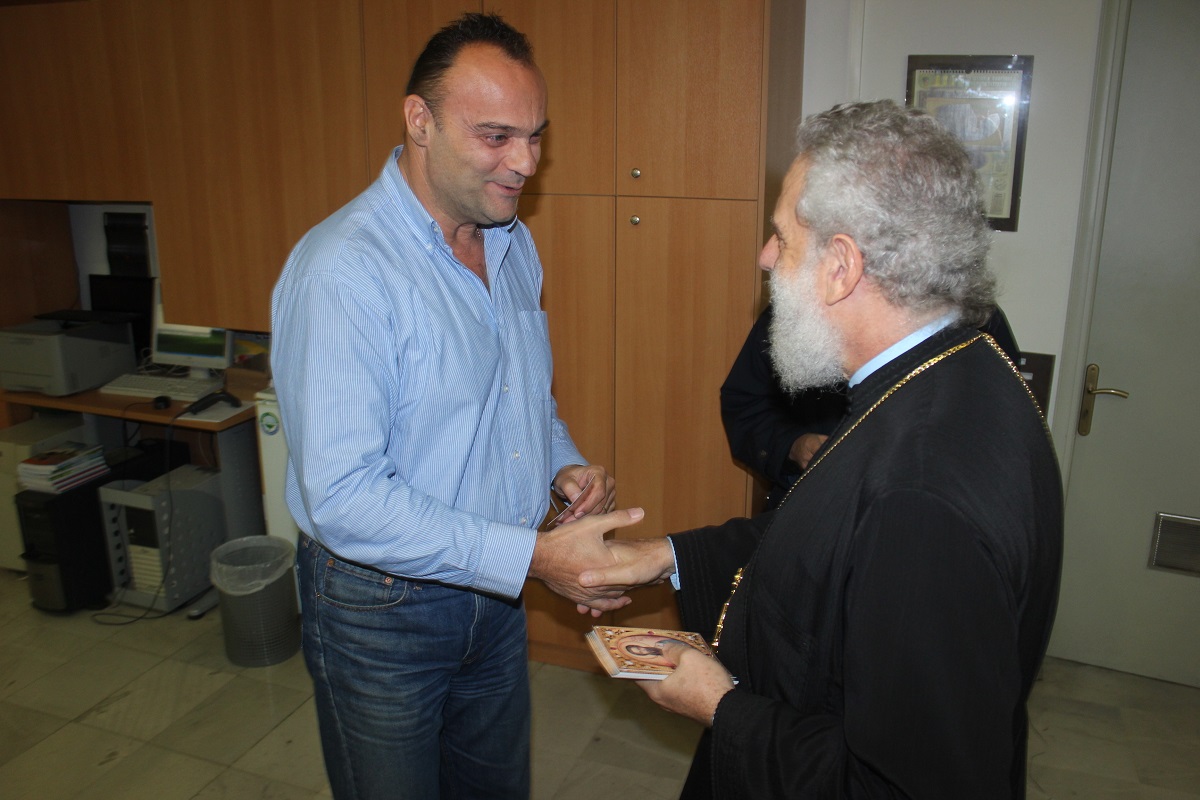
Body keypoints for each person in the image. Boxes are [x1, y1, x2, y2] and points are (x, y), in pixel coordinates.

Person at [579, 99, 1064, 798]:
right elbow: (835, 541)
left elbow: (897, 785)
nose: (764, 257)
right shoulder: (958, 366)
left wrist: (719, 706)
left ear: (841, 266)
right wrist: (667, 558)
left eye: (781, 237)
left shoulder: (922, 495)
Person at [270, 13, 638, 799]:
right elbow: (343, 496)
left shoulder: (510, 241)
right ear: (420, 121)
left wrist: (562, 467)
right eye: (497, 136)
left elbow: (517, 398)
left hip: (494, 596)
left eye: (535, 137)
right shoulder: (342, 272)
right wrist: (533, 559)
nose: (525, 163)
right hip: (380, 609)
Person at [721, 302, 1022, 509]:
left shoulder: (973, 319)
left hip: (928, 527)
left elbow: (1005, 438)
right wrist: (791, 446)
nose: (768, 256)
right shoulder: (796, 309)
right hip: (809, 513)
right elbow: (745, 403)